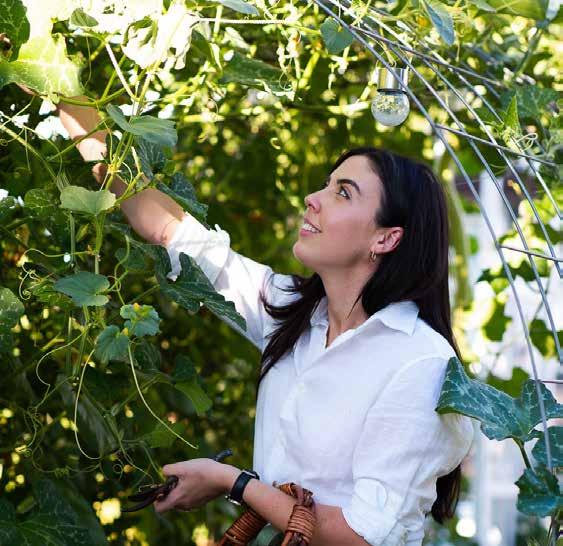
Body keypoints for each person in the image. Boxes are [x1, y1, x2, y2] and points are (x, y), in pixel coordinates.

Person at [56, 98, 475, 546]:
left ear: (386, 238)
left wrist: (232, 481)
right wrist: (61, 93)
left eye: (343, 193)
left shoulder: (421, 363)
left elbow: (360, 537)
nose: (313, 199)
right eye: (326, 185)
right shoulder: (295, 312)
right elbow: (172, 234)